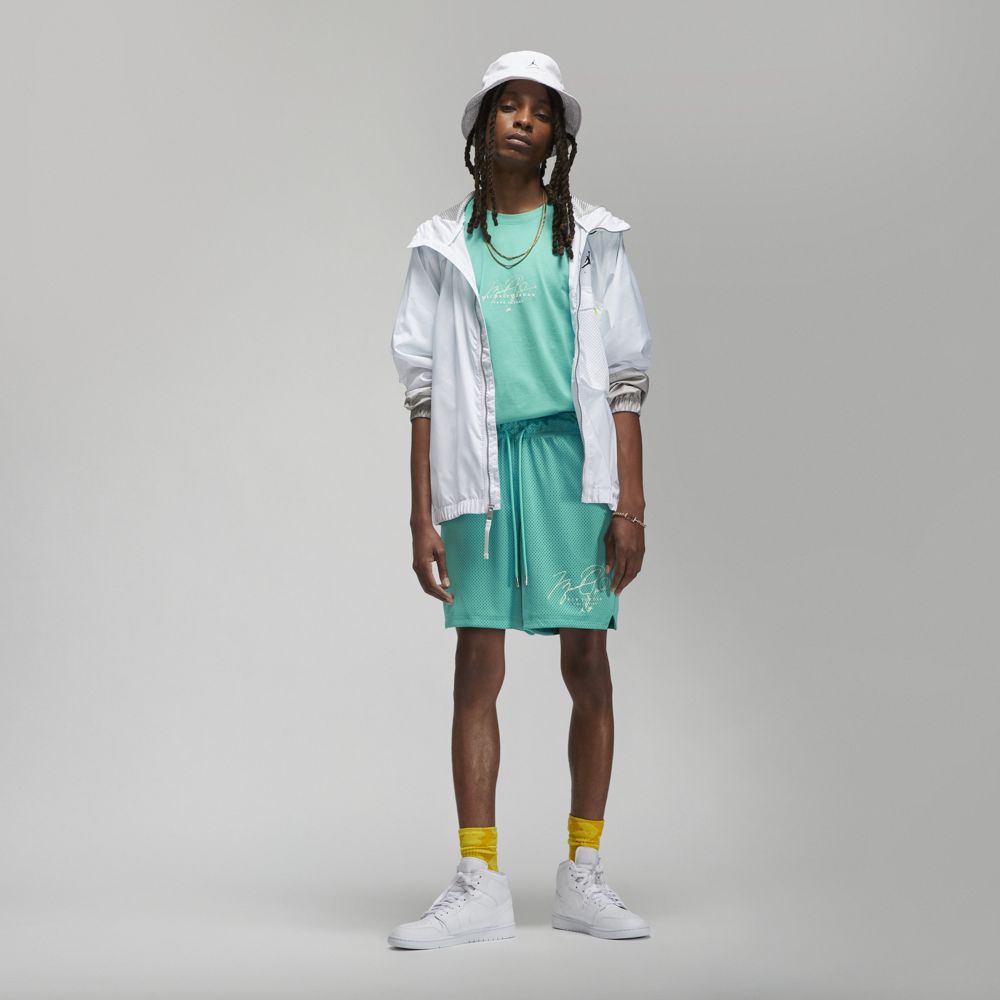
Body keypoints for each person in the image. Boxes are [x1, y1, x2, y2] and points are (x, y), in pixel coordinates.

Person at [387, 50, 653, 949]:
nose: (524, 120)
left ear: (556, 138)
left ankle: (584, 873)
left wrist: (631, 504)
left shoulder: (593, 238)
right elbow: (422, 388)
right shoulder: (442, 243)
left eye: (541, 111)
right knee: (477, 665)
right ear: (482, 124)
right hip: (478, 471)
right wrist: (420, 512)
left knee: (589, 664)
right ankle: (479, 880)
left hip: (573, 467)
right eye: (509, 105)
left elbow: (625, 376)